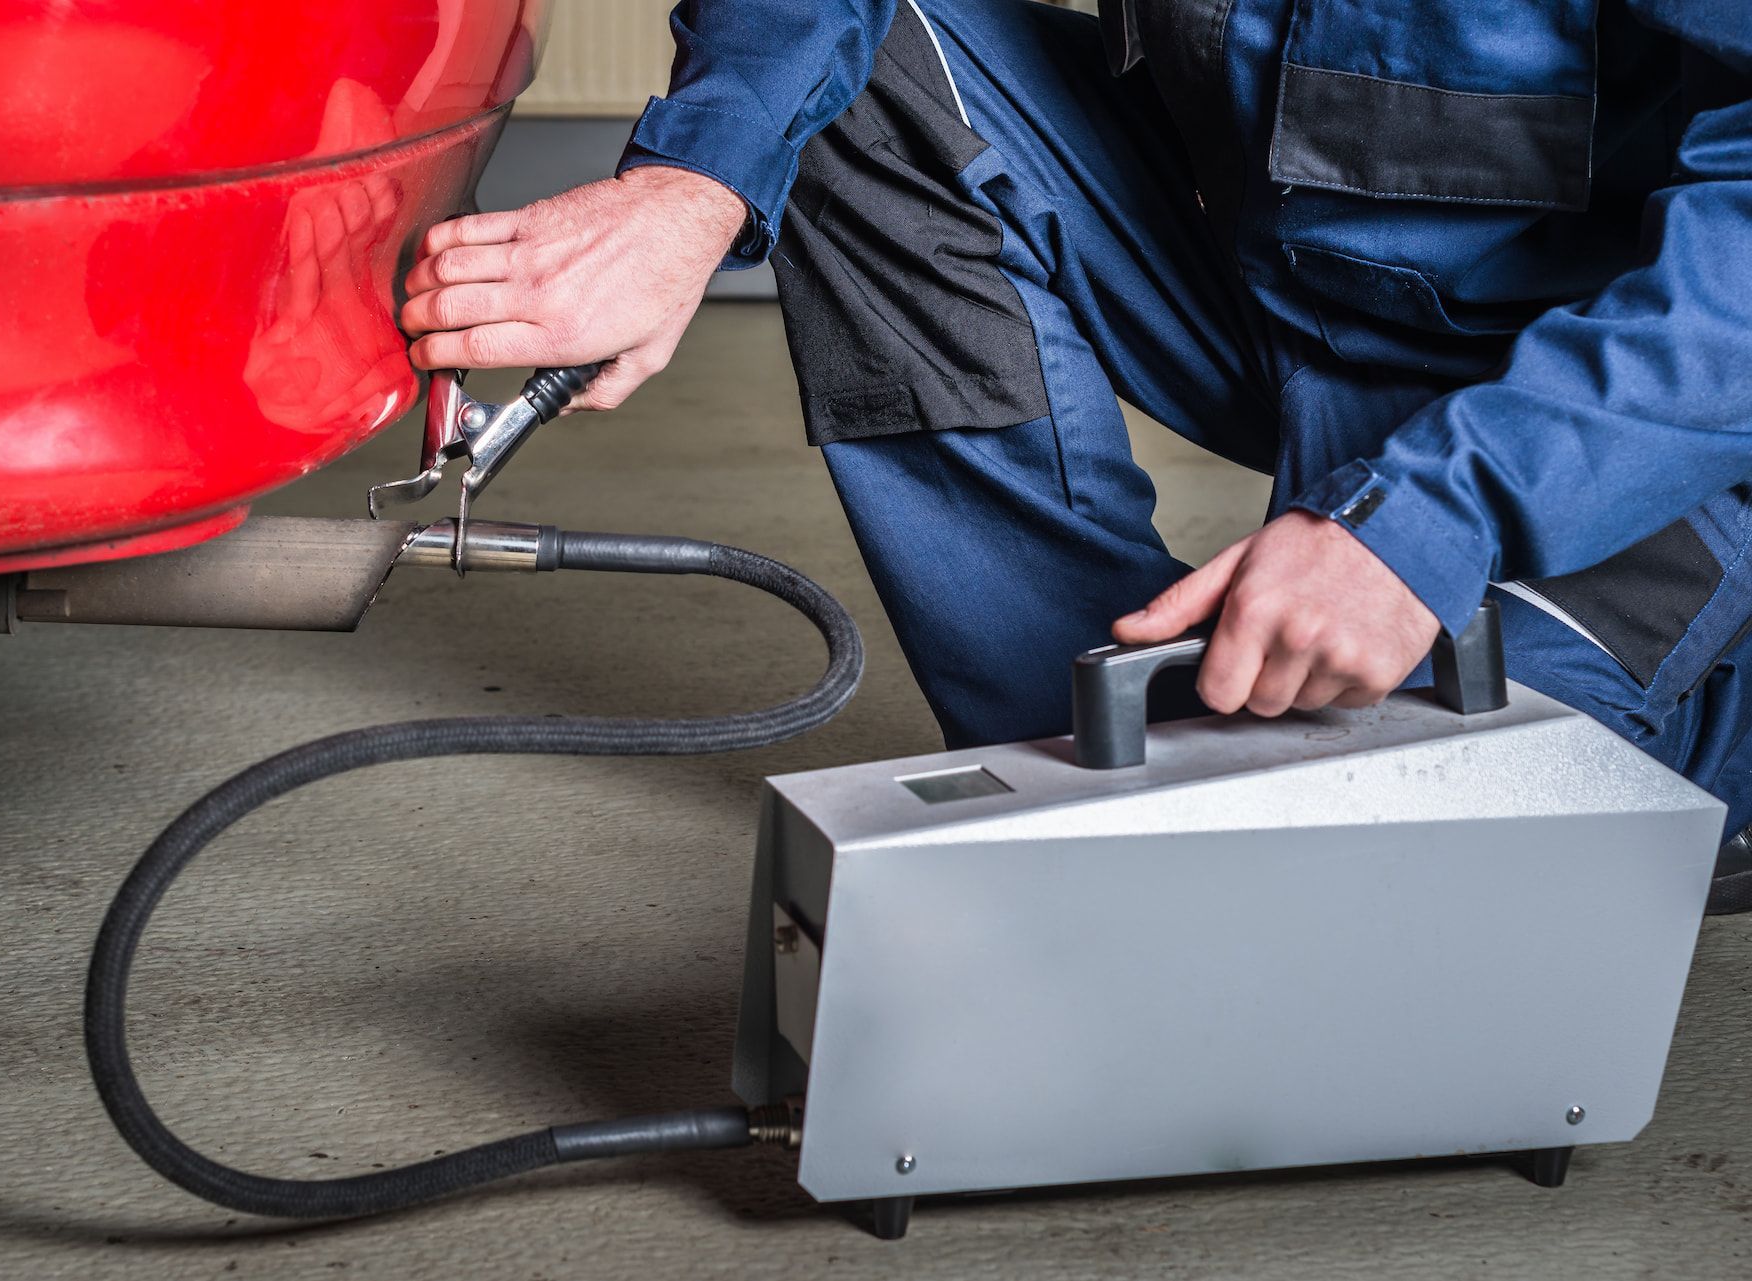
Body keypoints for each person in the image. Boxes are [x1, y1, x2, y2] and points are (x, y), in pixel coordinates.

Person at [399, 1, 1752, 909]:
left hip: (1626, 410)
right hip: (1281, 293)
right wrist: (693, 183)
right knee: (857, 79)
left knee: (1419, 882)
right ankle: (1089, 753)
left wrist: (1431, 520)